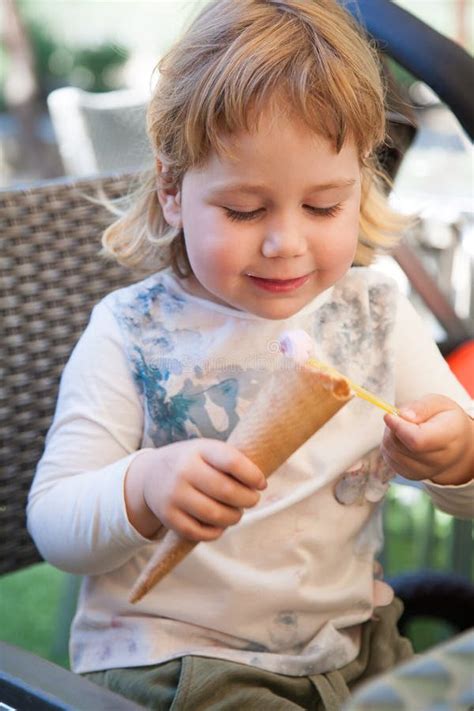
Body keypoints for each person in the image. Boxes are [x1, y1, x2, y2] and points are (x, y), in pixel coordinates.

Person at [27, 0, 473, 709]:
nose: (285, 243)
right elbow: (54, 522)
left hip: (356, 644)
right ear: (173, 192)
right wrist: (144, 486)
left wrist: (458, 458)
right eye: (244, 210)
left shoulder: (375, 311)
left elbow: (466, 459)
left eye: (323, 206)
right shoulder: (130, 331)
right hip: (179, 658)